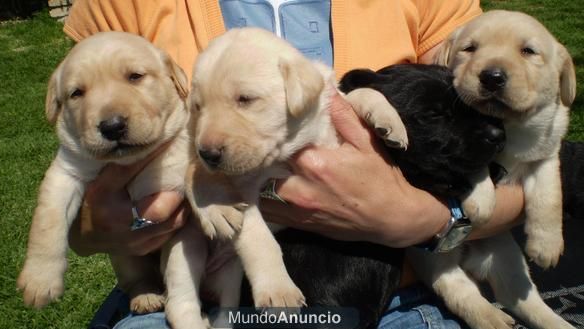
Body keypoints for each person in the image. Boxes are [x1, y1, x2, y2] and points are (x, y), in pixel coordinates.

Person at [63, 1, 525, 328]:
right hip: (208, 300)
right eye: (197, 105)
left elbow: (505, 156)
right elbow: (82, 194)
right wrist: (111, 225)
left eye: (246, 99)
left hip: (399, 297)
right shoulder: (123, 6)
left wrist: (426, 221)